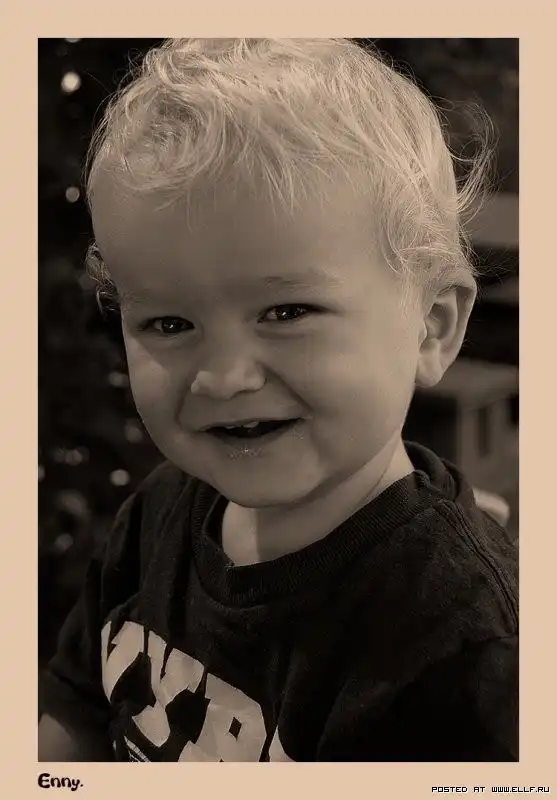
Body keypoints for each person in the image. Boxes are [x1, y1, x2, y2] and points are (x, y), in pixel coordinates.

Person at [39, 38, 518, 762]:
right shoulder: (159, 513)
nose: (223, 378)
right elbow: (74, 713)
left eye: (286, 312)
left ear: (432, 326)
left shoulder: (461, 642)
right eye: (169, 324)